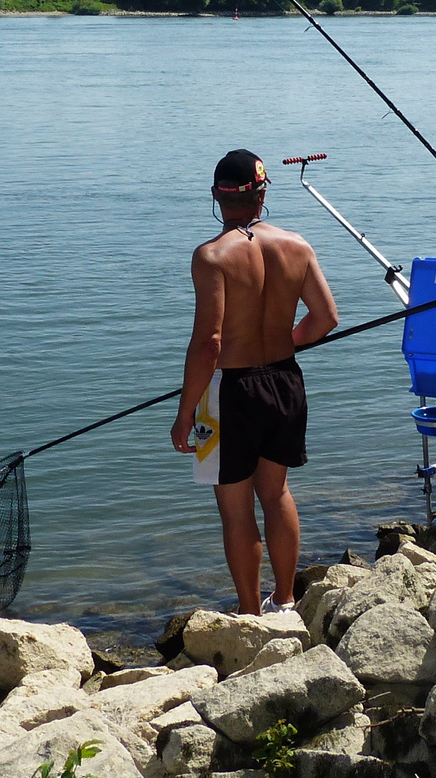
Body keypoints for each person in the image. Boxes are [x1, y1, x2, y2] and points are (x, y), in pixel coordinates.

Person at [171, 149, 338, 615]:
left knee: (236, 508)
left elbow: (209, 343)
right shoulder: (297, 246)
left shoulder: (211, 257)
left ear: (216, 196)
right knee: (276, 492)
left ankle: (250, 613)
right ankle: (285, 600)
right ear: (263, 193)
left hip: (233, 391)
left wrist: (185, 413)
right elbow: (326, 318)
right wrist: (278, 346)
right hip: (286, 381)